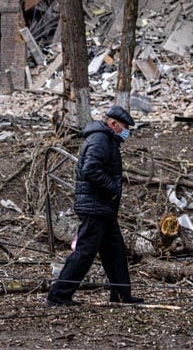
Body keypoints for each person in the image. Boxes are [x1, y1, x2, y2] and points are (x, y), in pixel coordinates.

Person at [46, 105, 144, 307]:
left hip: (103, 207)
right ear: (113, 124)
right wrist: (111, 189)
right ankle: (58, 294)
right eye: (124, 127)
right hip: (95, 206)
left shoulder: (107, 140)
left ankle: (120, 295)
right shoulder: (100, 140)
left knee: (115, 251)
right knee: (84, 252)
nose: (126, 132)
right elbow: (90, 169)